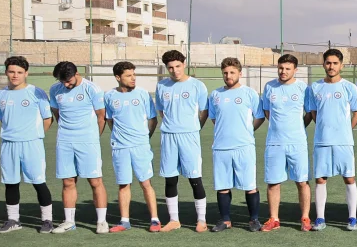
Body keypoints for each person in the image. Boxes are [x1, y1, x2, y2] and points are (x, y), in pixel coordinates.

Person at [0, 55, 54, 233]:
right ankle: (13, 220)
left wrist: (36, 136)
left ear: (26, 73)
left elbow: (47, 119)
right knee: (10, 183)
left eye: (19, 72)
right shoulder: (0, 95)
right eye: (11, 72)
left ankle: (47, 220)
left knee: (38, 182)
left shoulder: (36, 92)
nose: (15, 75)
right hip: (8, 144)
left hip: (31, 144)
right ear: (6, 72)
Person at [48, 61, 108, 234]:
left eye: (68, 81)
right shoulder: (55, 89)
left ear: (77, 74)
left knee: (95, 181)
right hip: (65, 141)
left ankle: (102, 221)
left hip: (88, 141)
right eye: (62, 81)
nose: (66, 85)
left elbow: (101, 116)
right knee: (67, 181)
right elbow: (57, 114)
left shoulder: (92, 89)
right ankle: (69, 222)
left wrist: (93, 137)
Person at [305, 48, 357, 231]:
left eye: (335, 63)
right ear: (323, 64)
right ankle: (320, 218)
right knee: (320, 179)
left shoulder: (349, 87)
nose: (331, 66)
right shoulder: (314, 87)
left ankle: (352, 218)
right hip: (322, 141)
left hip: (344, 142)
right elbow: (314, 112)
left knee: (349, 178)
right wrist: (324, 127)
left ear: (341, 65)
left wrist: (346, 130)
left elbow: (356, 112)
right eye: (328, 63)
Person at [155, 50, 209, 232]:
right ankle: (174, 220)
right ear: (166, 68)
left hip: (189, 136)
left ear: (184, 64)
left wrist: (195, 127)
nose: (175, 70)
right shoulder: (161, 86)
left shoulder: (197, 86)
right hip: (169, 136)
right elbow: (161, 110)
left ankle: (201, 220)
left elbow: (204, 111)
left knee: (195, 178)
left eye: (178, 66)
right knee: (170, 179)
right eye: (170, 67)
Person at [103, 61, 160, 232]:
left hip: (140, 146)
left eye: (134, 74)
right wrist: (120, 137)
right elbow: (110, 120)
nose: (133, 78)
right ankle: (124, 221)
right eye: (128, 75)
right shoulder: (109, 96)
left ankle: (155, 220)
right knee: (123, 184)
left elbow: (153, 119)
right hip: (120, 148)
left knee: (146, 183)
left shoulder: (142, 94)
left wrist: (145, 138)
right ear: (118, 77)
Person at [208, 57, 263, 232]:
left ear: (240, 73)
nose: (228, 76)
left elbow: (259, 116)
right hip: (221, 147)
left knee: (249, 185)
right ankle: (225, 220)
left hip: (244, 146)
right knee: (222, 186)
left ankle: (254, 220)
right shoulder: (215, 95)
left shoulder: (249, 93)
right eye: (225, 73)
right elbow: (214, 118)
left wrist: (247, 131)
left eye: (232, 72)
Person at [261, 53, 311, 232]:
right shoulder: (269, 87)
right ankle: (274, 218)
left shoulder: (303, 88)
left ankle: (305, 217)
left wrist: (297, 127)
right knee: (273, 182)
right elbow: (267, 112)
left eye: (287, 69)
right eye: (280, 68)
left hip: (297, 143)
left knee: (302, 181)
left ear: (295, 70)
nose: (283, 71)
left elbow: (309, 113)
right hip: (274, 143)